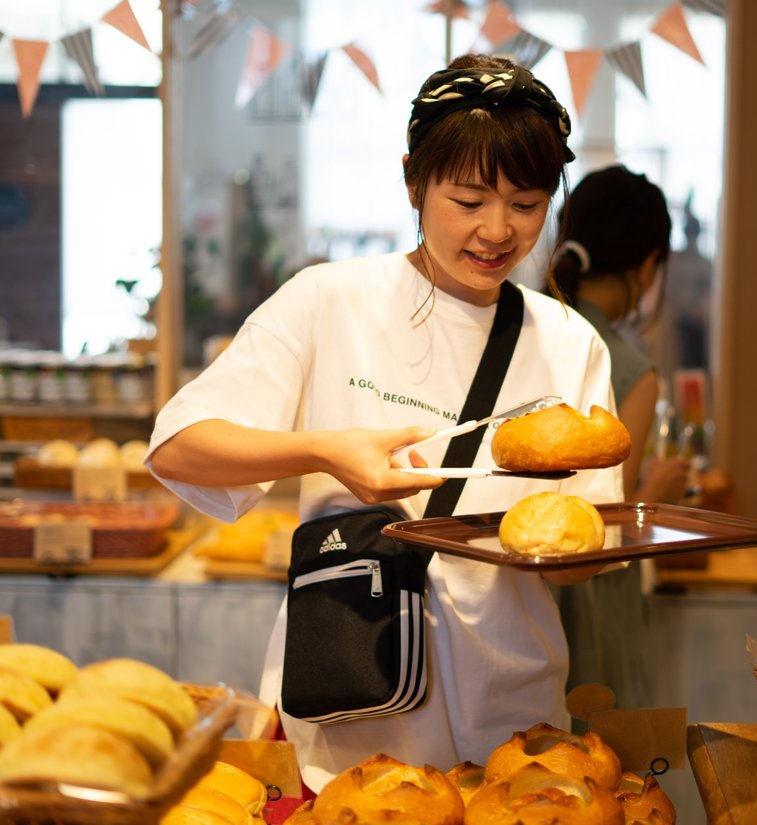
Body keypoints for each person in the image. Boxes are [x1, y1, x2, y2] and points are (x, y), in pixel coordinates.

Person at [145, 55, 622, 792]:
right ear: (413, 181)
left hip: (512, 716)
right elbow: (179, 448)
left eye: (526, 204)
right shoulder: (329, 300)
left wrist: (575, 540)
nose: (497, 231)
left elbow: (594, 540)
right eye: (468, 200)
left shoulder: (568, 341)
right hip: (346, 716)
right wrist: (325, 451)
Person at [547, 164, 691, 711]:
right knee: (594, 769)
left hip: (517, 592)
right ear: (647, 264)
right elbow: (608, 523)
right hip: (590, 610)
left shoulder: (525, 332)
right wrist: (658, 491)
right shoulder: (628, 368)